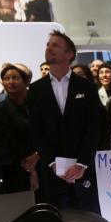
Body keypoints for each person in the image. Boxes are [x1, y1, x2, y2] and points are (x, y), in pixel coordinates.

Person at [28, 31, 103, 212]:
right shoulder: (36, 89)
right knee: (58, 221)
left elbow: (94, 127)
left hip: (85, 170)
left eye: (55, 45)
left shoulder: (86, 86)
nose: (49, 49)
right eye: (48, 45)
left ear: (69, 54)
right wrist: (52, 163)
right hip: (52, 173)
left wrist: (82, 163)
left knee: (89, 218)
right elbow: (36, 131)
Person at [0, 64, 38, 192]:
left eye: (15, 78)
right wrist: (27, 165)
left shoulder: (39, 104)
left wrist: (36, 156)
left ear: (26, 81)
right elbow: (1, 142)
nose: (10, 81)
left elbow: (49, 133)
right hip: (14, 168)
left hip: (43, 162)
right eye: (6, 78)